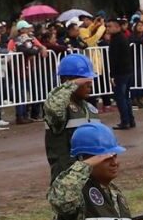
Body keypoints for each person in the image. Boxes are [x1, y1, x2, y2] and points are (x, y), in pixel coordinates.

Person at [43, 54, 101, 182]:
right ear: (67, 81)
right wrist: (70, 85)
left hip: (91, 177)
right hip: (68, 180)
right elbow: (54, 107)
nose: (90, 83)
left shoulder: (90, 108)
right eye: (84, 80)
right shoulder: (60, 108)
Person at [106, 18, 135, 131]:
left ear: (117, 27)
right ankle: (130, 120)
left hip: (120, 73)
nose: (108, 29)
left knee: (120, 97)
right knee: (126, 97)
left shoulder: (116, 40)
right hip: (127, 71)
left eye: (110, 26)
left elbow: (114, 58)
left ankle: (125, 121)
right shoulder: (123, 37)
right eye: (107, 26)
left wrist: (112, 74)